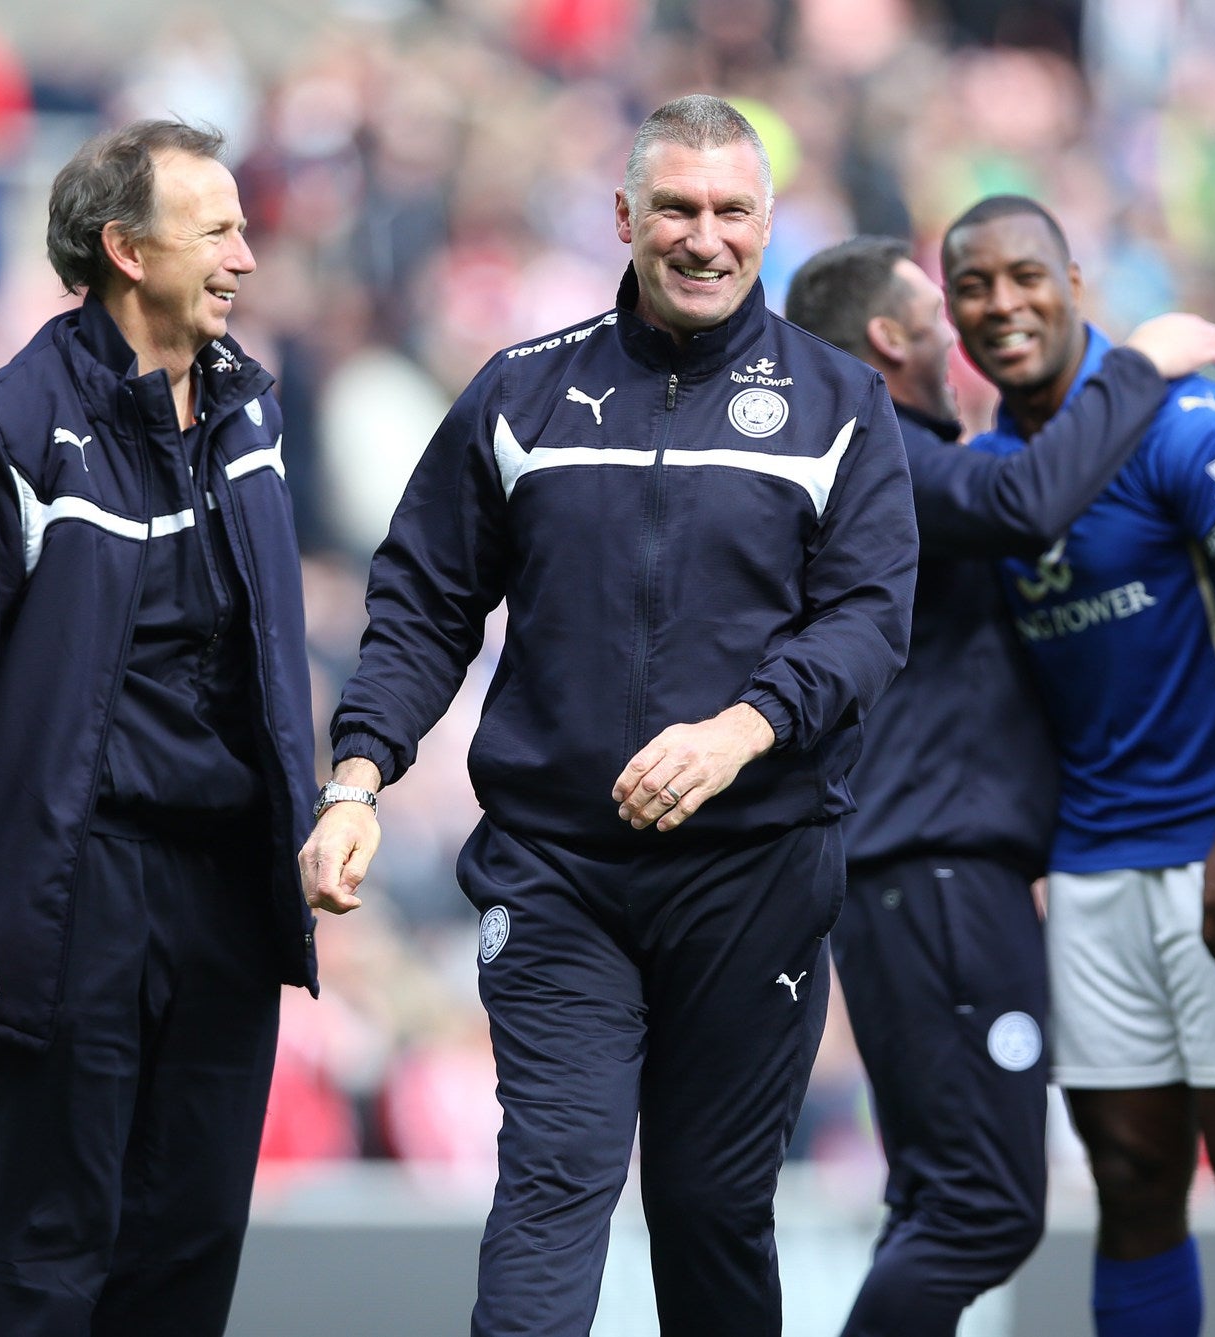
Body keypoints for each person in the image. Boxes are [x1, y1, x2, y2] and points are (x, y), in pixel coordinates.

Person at [299, 96, 917, 1337]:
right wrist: (357, 774)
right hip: (557, 871)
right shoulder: (519, 393)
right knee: (552, 1180)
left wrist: (740, 728)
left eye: (730, 210)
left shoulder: (841, 402)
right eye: (676, 209)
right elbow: (422, 603)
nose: (704, 237)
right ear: (624, 216)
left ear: (766, 222)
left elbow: (866, 620)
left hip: (755, 872)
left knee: (711, 1206)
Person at [0, 120, 318, 1336]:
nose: (246, 256)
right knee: (46, 1263)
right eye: (216, 228)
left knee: (189, 1252)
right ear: (124, 249)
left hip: (222, 894)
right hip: (67, 895)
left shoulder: (251, 414)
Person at [784, 235, 1215, 1336]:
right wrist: (1142, 363)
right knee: (983, 1210)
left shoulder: (893, 457)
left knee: (933, 1198)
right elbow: (1028, 500)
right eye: (937, 307)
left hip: (909, 879)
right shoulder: (876, 451)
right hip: (935, 875)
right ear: (888, 336)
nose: (958, 327)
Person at [943, 195, 1215, 1337]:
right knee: (1126, 1173)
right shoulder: (993, 472)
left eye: (1023, 275)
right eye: (972, 286)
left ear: (1073, 276)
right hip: (1089, 862)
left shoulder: (1183, 419)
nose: (1001, 304)